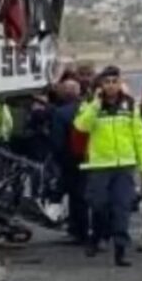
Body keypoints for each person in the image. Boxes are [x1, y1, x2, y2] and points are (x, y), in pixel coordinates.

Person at [73, 65, 142, 266]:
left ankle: (120, 250)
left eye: (114, 82)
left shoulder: (129, 105)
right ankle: (97, 235)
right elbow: (81, 126)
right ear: (100, 85)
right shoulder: (90, 105)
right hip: (100, 165)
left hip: (124, 165)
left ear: (120, 83)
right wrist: (96, 105)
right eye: (106, 82)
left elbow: (140, 136)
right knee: (98, 205)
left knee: (122, 207)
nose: (111, 86)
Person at [50, 78, 89, 243]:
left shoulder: (60, 113)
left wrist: (58, 160)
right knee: (87, 195)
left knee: (75, 196)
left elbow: (57, 142)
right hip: (92, 157)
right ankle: (89, 230)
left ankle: (78, 230)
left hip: (70, 159)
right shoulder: (88, 109)